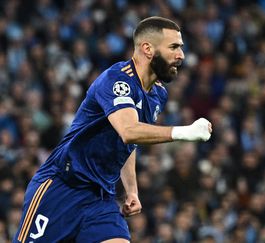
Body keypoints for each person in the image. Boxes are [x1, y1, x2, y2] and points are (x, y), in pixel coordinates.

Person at [14, 16, 212, 243]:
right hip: (62, 188)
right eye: (174, 47)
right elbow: (128, 130)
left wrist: (132, 190)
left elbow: (128, 142)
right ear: (147, 49)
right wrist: (184, 133)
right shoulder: (116, 80)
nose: (181, 55)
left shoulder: (158, 94)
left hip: (101, 198)